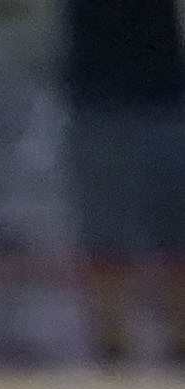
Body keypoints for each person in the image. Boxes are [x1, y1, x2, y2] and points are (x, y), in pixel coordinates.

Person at [67, 0, 185, 365]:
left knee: (174, 231)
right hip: (95, 99)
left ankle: (179, 346)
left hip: (164, 95)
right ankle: (111, 351)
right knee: (104, 235)